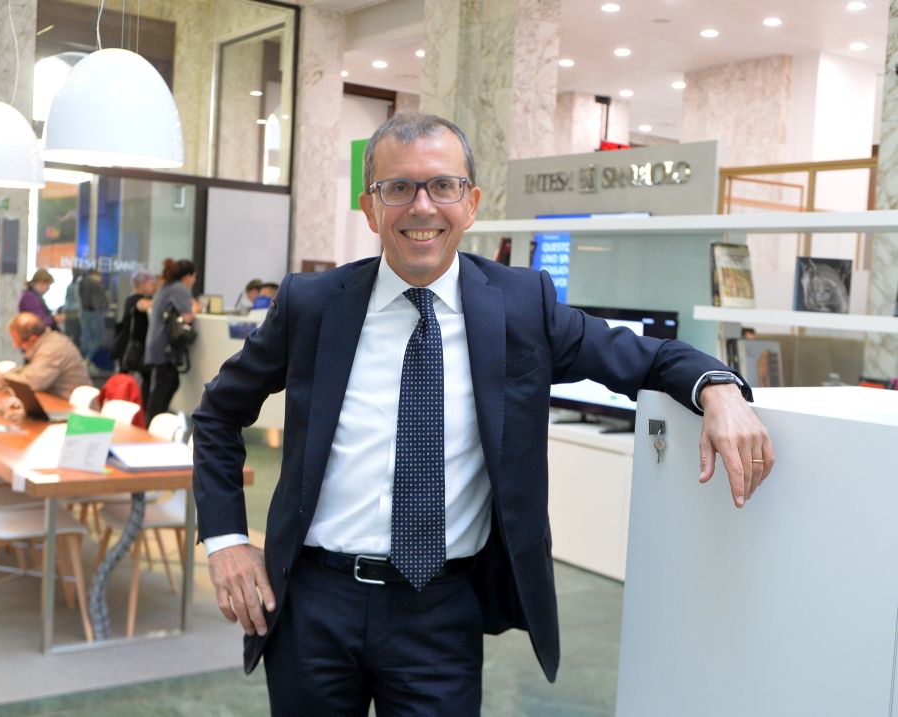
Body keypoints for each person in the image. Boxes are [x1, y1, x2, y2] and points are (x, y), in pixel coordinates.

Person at [192, 112, 775, 716]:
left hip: (439, 613)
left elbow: (643, 357)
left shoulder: (521, 307)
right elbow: (218, 413)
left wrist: (719, 390)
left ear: (470, 204)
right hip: (315, 605)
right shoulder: (313, 305)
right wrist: (227, 541)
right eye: (399, 187)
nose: (422, 206)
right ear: (370, 208)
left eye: (442, 186)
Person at [0, 311, 91, 400]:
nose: (15, 346)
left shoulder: (52, 349)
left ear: (33, 339)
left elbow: (29, 383)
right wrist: (3, 374)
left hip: (72, 411)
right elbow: (32, 370)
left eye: (19, 343)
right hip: (57, 402)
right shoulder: (49, 340)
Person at [144, 259, 198, 423]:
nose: (194, 280)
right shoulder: (179, 289)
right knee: (164, 385)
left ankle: (154, 421)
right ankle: (153, 423)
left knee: (167, 383)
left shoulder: (167, 287)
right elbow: (187, 317)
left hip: (158, 342)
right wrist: (196, 308)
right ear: (188, 276)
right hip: (165, 345)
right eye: (194, 276)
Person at [112, 270, 157, 405]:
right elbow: (143, 305)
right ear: (141, 284)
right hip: (132, 347)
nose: (153, 287)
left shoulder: (132, 299)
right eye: (151, 284)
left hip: (130, 346)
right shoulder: (136, 300)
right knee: (136, 378)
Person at [78, 268, 108, 361]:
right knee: (98, 337)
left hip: (84, 311)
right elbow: (103, 299)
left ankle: (81, 357)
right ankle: (88, 358)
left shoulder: (82, 282)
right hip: (95, 312)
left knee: (86, 336)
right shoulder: (97, 284)